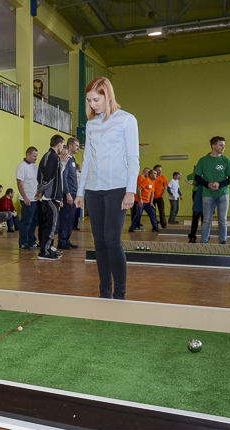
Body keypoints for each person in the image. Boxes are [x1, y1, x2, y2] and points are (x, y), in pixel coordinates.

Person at [74, 77, 140, 300]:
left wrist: (131, 190)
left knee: (112, 241)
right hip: (94, 189)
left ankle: (119, 293)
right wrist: (80, 192)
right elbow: (87, 159)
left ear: (108, 96)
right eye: (89, 101)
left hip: (118, 188)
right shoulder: (91, 124)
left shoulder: (127, 120)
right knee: (99, 243)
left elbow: (133, 157)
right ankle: (105, 293)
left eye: (96, 100)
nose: (92, 105)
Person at [195, 136, 230, 244]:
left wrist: (220, 184)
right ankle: (204, 242)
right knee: (207, 219)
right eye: (221, 145)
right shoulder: (203, 160)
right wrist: (207, 184)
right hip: (207, 194)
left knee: (222, 219)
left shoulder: (226, 160)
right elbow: (197, 177)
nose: (223, 147)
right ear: (213, 146)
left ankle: (223, 241)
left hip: (223, 193)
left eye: (224, 145)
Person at [36, 135, 65, 260]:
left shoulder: (54, 157)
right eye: (62, 145)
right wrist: (41, 191)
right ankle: (44, 251)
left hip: (54, 197)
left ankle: (47, 248)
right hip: (50, 197)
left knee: (52, 225)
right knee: (50, 225)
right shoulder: (50, 156)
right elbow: (46, 178)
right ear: (58, 144)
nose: (62, 148)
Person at [57, 137, 79, 249]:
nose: (78, 148)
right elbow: (64, 177)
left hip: (74, 192)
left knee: (71, 217)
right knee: (65, 217)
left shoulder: (73, 160)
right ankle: (61, 241)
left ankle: (66, 239)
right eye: (76, 145)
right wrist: (67, 193)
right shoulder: (66, 160)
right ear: (70, 146)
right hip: (68, 193)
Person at [16, 147, 39, 250]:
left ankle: (31, 240)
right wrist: (25, 197)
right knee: (26, 221)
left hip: (35, 198)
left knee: (34, 221)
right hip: (27, 198)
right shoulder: (22, 166)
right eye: (34, 156)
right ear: (28, 155)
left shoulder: (34, 166)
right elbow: (19, 182)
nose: (35, 158)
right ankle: (23, 242)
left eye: (36, 156)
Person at [186, 166, 203, 243]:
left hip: (206, 196)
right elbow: (196, 183)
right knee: (196, 215)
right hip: (198, 194)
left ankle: (204, 236)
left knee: (204, 217)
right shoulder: (195, 174)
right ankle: (193, 236)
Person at [152, 164, 168, 229]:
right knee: (153, 212)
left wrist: (162, 195)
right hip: (152, 197)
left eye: (160, 170)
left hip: (159, 197)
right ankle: (155, 225)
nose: (160, 171)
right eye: (158, 170)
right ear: (155, 170)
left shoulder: (163, 177)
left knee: (162, 211)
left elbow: (165, 187)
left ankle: (163, 225)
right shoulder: (151, 178)